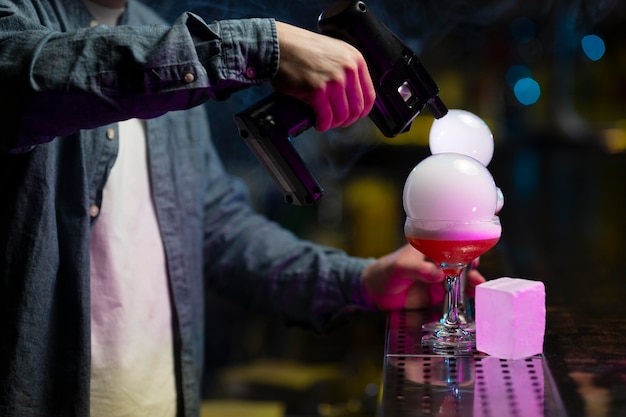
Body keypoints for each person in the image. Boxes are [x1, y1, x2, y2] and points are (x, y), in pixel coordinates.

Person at [0, 0, 486, 416]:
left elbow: (219, 230)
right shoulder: (17, 21)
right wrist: (260, 45)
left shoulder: (159, 35)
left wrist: (361, 280)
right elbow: (36, 77)